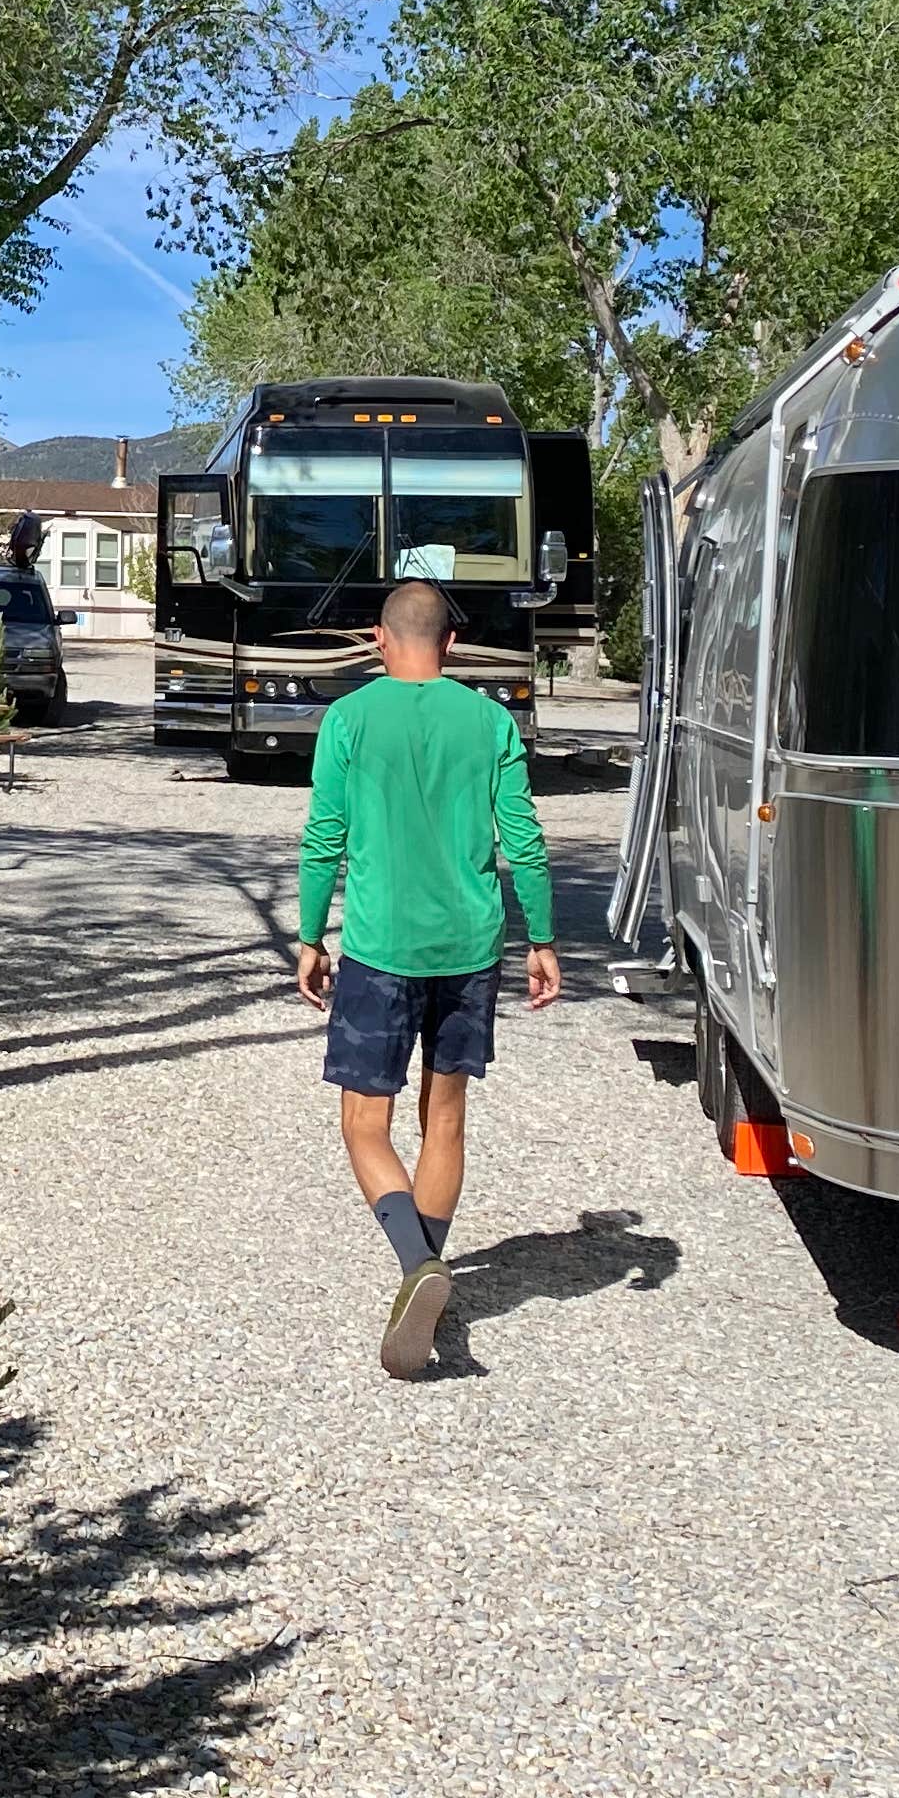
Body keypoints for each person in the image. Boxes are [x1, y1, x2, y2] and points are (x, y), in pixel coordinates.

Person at [291, 577, 559, 1378]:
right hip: (470, 949)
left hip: (381, 948)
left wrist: (310, 936)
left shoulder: (348, 718)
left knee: (363, 1124)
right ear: (451, 643)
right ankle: (426, 1277)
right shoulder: (490, 720)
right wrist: (542, 938)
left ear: (379, 639)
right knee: (445, 1121)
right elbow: (523, 837)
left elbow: (324, 837)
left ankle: (418, 1266)